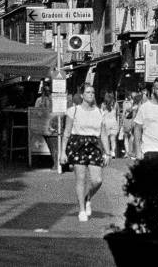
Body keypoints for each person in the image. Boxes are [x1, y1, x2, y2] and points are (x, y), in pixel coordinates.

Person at [60, 82, 106, 222]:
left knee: (97, 180)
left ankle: (88, 198)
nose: (91, 95)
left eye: (92, 92)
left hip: (93, 145)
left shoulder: (99, 111)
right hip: (77, 144)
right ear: (82, 95)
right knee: (81, 178)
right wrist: (63, 152)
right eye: (88, 92)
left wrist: (108, 153)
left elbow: (103, 134)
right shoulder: (73, 111)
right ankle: (81, 209)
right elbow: (67, 132)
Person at [29, 85, 61, 173]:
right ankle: (56, 162)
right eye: (46, 91)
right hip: (46, 125)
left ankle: (56, 163)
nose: (47, 92)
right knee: (52, 143)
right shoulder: (41, 100)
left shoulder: (51, 99)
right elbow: (36, 111)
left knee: (53, 143)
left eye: (48, 91)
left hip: (51, 125)